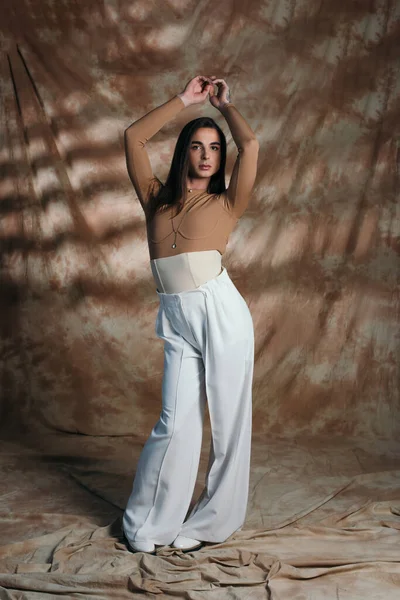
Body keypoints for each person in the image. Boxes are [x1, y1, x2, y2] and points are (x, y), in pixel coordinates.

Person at [122, 75, 259, 554]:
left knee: (227, 422)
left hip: (221, 314)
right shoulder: (154, 197)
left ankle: (211, 524)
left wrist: (223, 107)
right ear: (185, 151)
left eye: (215, 148)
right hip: (177, 319)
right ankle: (148, 525)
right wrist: (184, 100)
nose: (206, 155)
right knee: (175, 422)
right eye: (198, 146)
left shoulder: (227, 201)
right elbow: (133, 137)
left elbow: (251, 142)